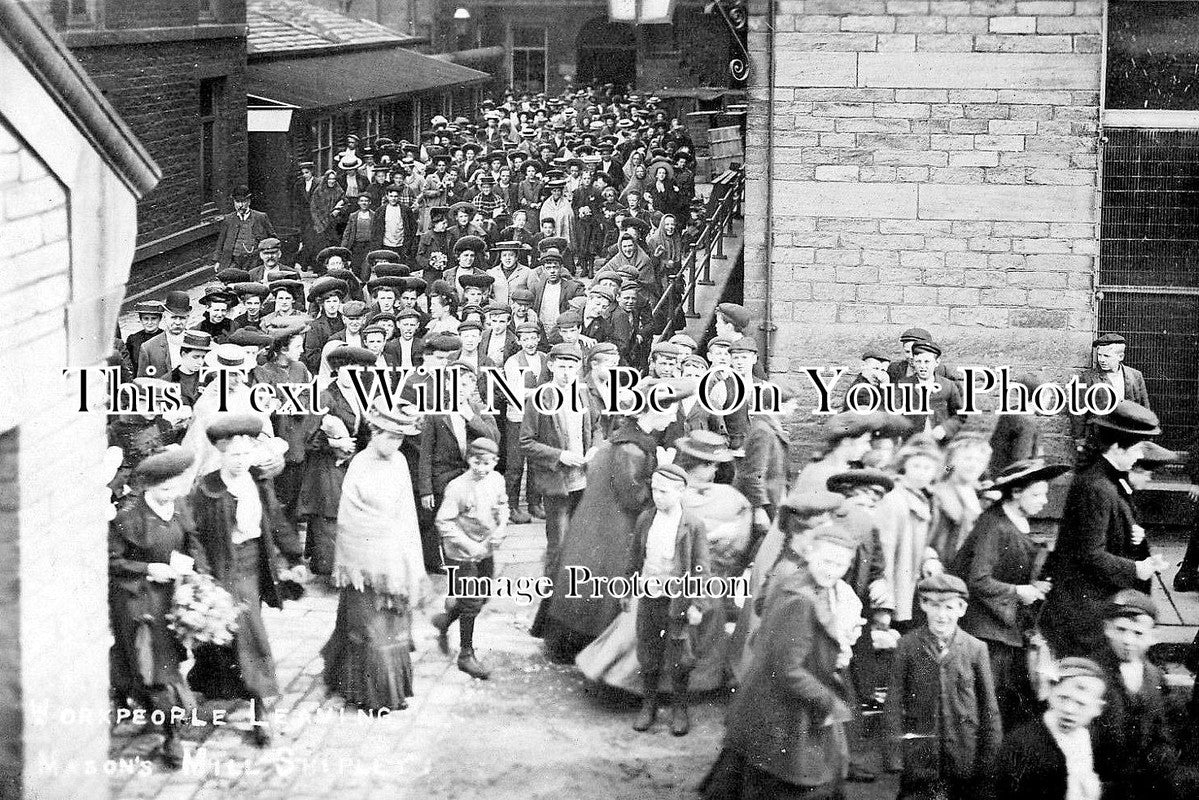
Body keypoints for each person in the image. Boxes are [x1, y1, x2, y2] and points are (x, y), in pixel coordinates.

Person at [701, 526, 859, 800]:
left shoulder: (807, 585)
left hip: (773, 698)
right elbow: (787, 670)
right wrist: (829, 702)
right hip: (787, 704)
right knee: (791, 776)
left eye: (840, 564)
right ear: (810, 554)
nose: (832, 570)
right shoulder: (801, 600)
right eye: (827, 561)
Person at [535, 377, 684, 660]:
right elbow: (635, 498)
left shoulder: (630, 439)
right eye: (668, 411)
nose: (673, 417)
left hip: (599, 526)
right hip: (612, 530)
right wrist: (662, 472)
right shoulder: (632, 448)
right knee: (601, 590)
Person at [186, 414, 305, 747]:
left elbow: (276, 519)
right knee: (223, 632)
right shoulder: (207, 488)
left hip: (253, 564)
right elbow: (193, 535)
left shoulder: (258, 482)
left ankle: (258, 705)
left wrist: (293, 556)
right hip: (222, 566)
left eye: (245, 454)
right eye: (233, 455)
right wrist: (203, 576)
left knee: (248, 628)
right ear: (221, 453)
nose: (239, 461)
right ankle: (219, 695)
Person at [321, 402, 430, 712]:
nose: (394, 445)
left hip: (395, 557)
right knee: (368, 627)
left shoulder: (399, 463)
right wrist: (383, 533)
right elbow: (351, 516)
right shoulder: (359, 464)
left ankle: (392, 687)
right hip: (367, 561)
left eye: (400, 439)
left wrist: (409, 556)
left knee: (392, 625)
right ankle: (370, 693)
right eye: (389, 437)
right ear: (375, 433)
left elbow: (406, 511)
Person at [1040, 401, 1171, 657]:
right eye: (1135, 448)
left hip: (1092, 609)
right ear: (1115, 446)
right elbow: (1089, 553)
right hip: (1084, 615)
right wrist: (1137, 569)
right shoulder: (1097, 487)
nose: (1137, 457)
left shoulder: (1107, 479)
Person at [951, 458, 1071, 729]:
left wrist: (1035, 586)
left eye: (1046, 494)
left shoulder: (1014, 522)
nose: (1044, 501)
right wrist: (1020, 591)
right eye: (1037, 494)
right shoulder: (994, 526)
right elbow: (978, 579)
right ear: (1016, 493)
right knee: (988, 703)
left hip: (1005, 628)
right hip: (986, 631)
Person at [108, 447, 207, 769]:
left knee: (162, 661)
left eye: (175, 486)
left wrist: (197, 572)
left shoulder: (179, 505)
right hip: (138, 601)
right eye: (164, 489)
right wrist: (149, 569)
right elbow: (113, 561)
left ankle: (132, 699)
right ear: (147, 487)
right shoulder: (128, 518)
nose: (172, 494)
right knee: (155, 666)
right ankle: (171, 735)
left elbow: (192, 540)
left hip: (171, 598)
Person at [883, 573, 1003, 800]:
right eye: (935, 606)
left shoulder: (976, 649)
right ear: (923, 605)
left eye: (949, 608)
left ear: (962, 609)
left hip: (963, 753)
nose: (941, 615)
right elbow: (893, 703)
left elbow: (989, 708)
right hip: (919, 757)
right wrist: (894, 756)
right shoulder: (907, 646)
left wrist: (990, 759)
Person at [627, 464, 709, 736]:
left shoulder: (693, 525)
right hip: (651, 597)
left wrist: (697, 603)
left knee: (680, 656)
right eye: (654, 490)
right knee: (648, 652)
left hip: (678, 602)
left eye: (664, 491)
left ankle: (679, 708)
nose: (657, 496)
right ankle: (648, 705)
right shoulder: (645, 519)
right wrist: (628, 589)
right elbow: (635, 558)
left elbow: (700, 567)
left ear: (681, 491)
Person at [432, 437, 509, 680]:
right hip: (462, 553)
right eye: (477, 462)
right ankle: (466, 654)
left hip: (485, 549)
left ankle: (445, 620)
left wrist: (501, 527)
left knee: (481, 598)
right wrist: (468, 546)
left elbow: (502, 506)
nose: (482, 468)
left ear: (495, 462)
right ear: (468, 460)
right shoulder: (457, 487)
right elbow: (443, 522)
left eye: (488, 463)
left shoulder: (497, 480)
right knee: (472, 601)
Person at [1089, 590, 1177, 800]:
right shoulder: (1092, 674)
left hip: (1142, 784)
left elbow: (1163, 731)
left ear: (1152, 637)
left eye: (1138, 633)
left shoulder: (1155, 678)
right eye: (1121, 629)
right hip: (1101, 782)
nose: (1128, 640)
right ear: (1107, 629)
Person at [297, 346, 376, 576]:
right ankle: (328, 568)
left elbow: (363, 429)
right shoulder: (325, 395)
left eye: (357, 370)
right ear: (337, 370)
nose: (353, 375)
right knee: (330, 512)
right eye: (347, 369)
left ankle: (336, 563)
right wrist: (336, 444)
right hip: (325, 463)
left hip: (350, 461)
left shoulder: (359, 394)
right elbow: (308, 437)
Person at [989, 657, 1109, 800]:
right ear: (1051, 694)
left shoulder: (1093, 738)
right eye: (1063, 698)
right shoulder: (1022, 744)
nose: (1069, 709)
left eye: (1081, 704)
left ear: (1097, 708)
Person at [1070, 333, 1151, 453]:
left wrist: (1146, 434)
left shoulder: (1135, 376)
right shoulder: (1087, 378)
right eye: (1099, 355)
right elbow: (1078, 412)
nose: (1101, 360)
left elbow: (1144, 407)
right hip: (1100, 439)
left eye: (1107, 356)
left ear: (1120, 356)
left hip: (1128, 437)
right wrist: (1080, 440)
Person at [927, 433, 992, 563]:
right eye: (967, 458)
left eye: (979, 460)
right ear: (952, 461)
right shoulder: (938, 494)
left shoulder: (980, 494)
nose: (973, 465)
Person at [212, 185, 277, 271]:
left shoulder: (260, 217)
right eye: (237, 202)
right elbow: (221, 241)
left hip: (254, 261)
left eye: (243, 202)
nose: (240, 205)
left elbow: (273, 239)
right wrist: (217, 261)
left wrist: (270, 258)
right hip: (233, 261)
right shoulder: (228, 219)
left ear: (249, 202)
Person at [125, 301, 166, 369]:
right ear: (141, 320)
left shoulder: (166, 337)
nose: (149, 322)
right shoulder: (133, 339)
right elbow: (128, 363)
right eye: (146, 319)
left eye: (153, 318)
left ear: (160, 319)